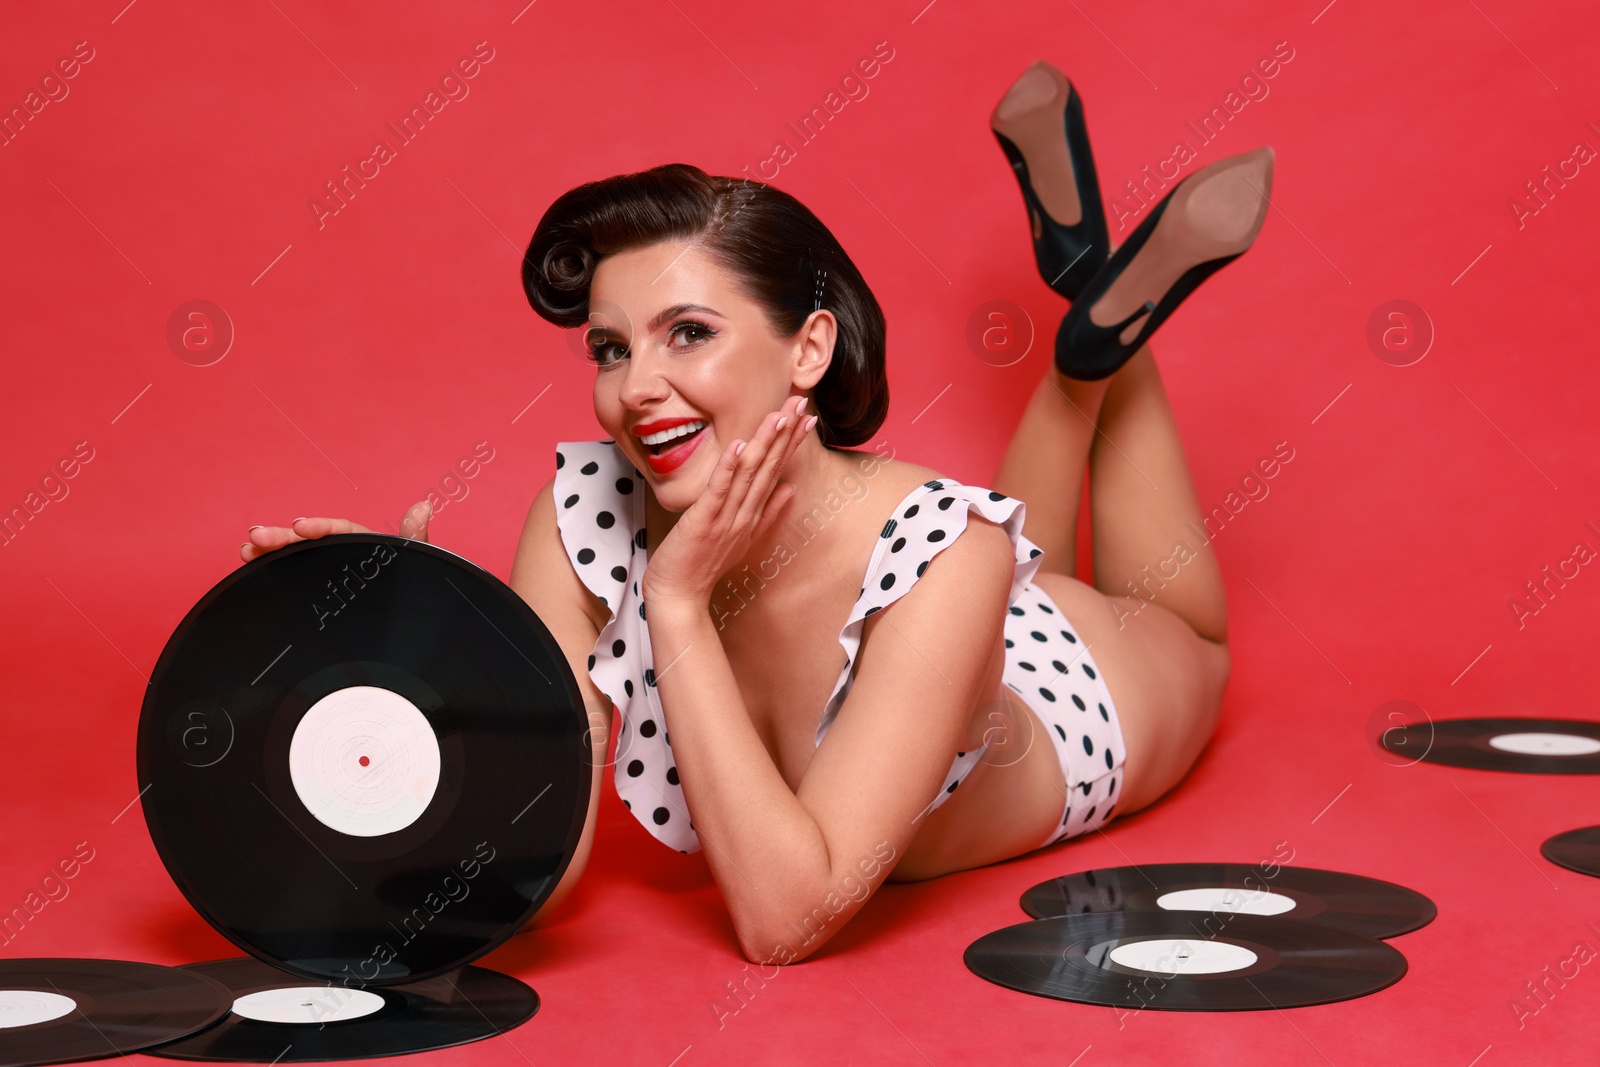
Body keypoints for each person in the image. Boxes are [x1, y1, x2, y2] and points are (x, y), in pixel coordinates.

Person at [241, 61, 1269, 966]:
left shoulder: (953, 547)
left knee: (1192, 636)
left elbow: (783, 920)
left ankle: (1098, 350)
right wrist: (424, 646)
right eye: (610, 348)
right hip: (941, 623)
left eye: (687, 333)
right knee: (1002, 560)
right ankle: (1094, 316)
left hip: (1067, 695)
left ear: (808, 350)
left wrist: (676, 605)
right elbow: (528, 876)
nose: (635, 387)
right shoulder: (579, 514)